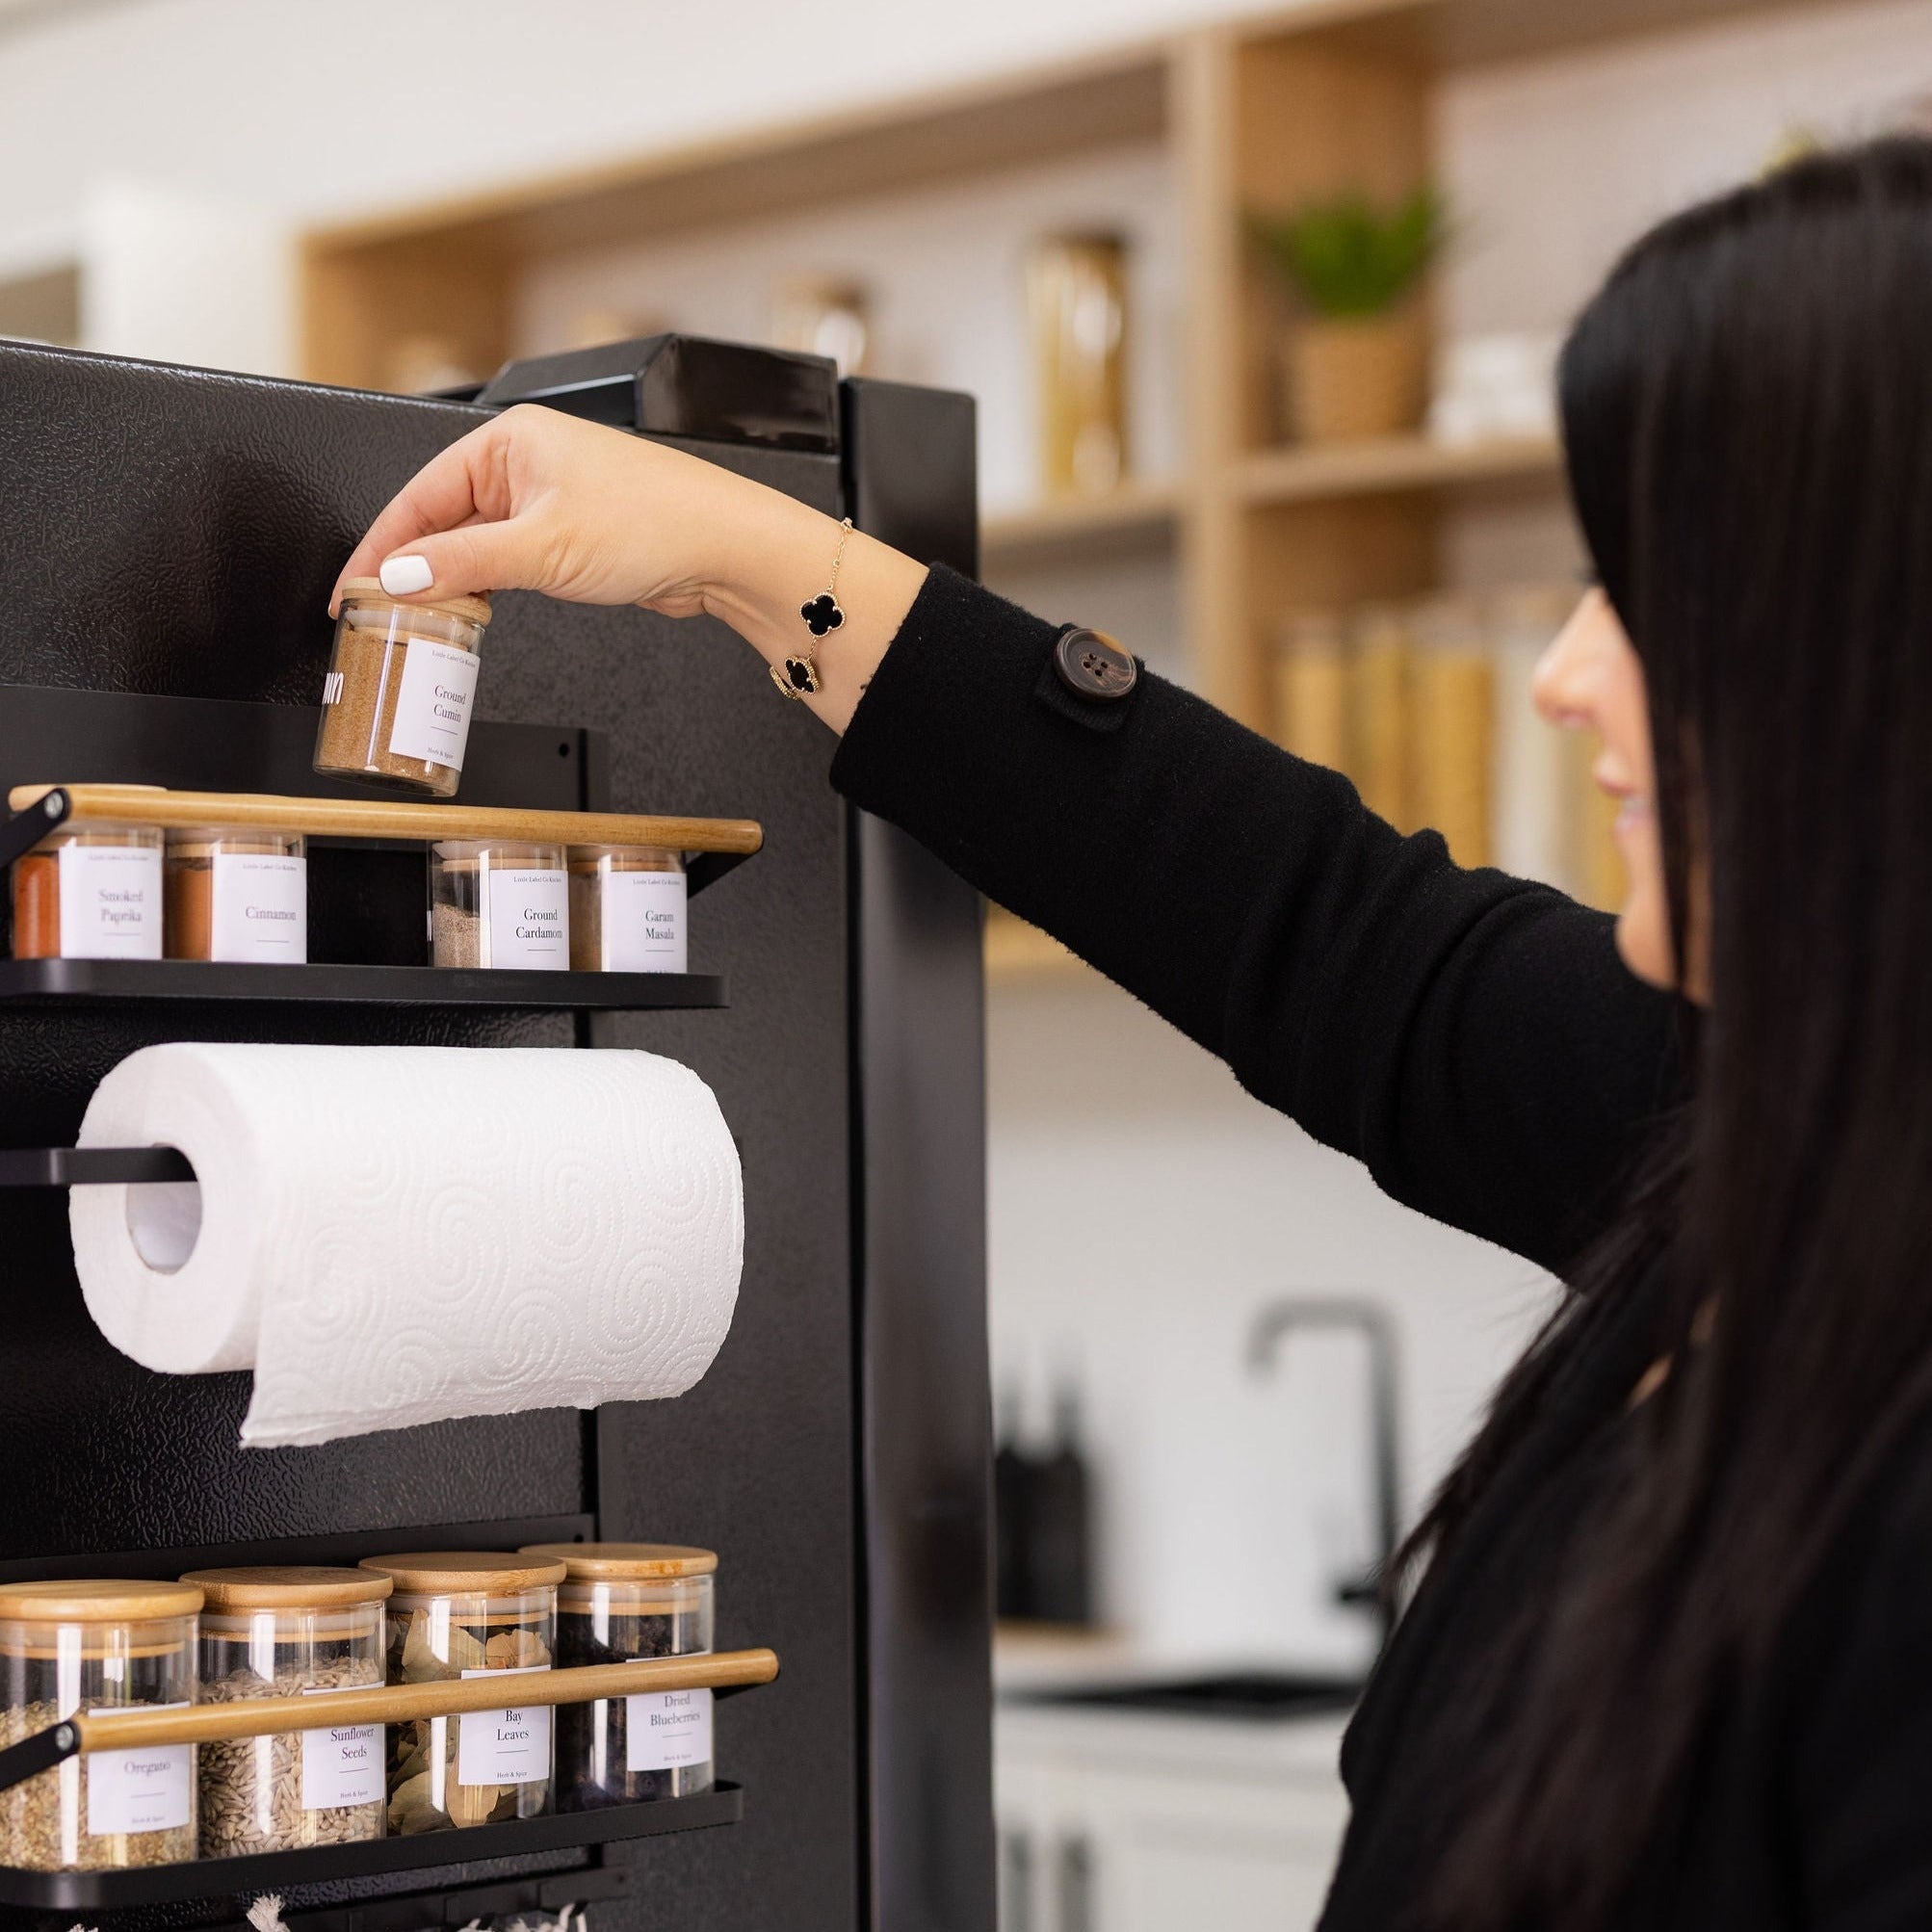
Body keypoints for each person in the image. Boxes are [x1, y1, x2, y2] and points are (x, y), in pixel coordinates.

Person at [336, 139, 1932, 1930]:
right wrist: (728, 547)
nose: (1565, 674)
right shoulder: (1760, 1134)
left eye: (1646, 591)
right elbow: (1317, 926)